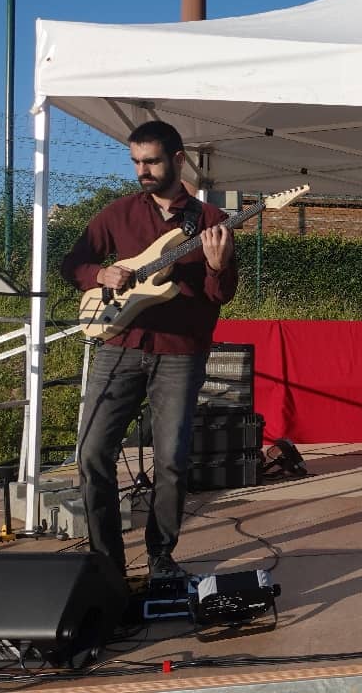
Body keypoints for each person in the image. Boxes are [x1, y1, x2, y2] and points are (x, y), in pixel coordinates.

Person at [62, 121, 238, 578]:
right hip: (117, 343)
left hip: (180, 352)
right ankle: (107, 561)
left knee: (172, 462)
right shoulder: (117, 214)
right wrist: (99, 276)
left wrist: (217, 267)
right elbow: (74, 262)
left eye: (152, 161)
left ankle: (161, 555)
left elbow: (222, 296)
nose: (142, 170)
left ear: (178, 159)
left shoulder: (210, 221)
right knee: (92, 453)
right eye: (137, 162)